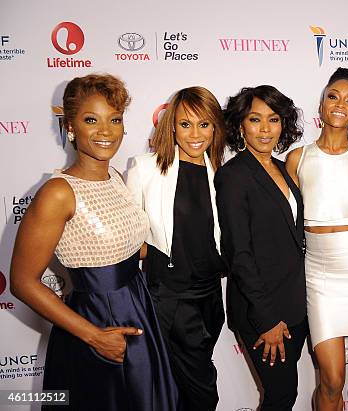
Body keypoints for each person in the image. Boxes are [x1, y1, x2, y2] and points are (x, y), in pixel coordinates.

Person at [10, 74, 178, 411]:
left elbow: (128, 249)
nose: (106, 131)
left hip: (138, 310)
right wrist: (94, 336)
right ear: (70, 126)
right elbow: (22, 282)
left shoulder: (115, 177)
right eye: (92, 120)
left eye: (114, 120)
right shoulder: (58, 192)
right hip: (97, 323)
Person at [285, 67, 348, 411]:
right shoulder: (298, 157)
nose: (341, 104)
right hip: (320, 272)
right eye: (333, 96)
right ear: (322, 104)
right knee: (331, 378)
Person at [126, 86, 226, 411]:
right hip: (170, 298)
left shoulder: (222, 174)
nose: (195, 134)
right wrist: (154, 255)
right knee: (202, 394)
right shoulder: (145, 169)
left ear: (215, 127)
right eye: (185, 124)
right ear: (171, 126)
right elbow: (128, 237)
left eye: (204, 124)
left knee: (182, 389)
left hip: (211, 298)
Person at [215, 85, 306, 411]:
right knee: (281, 397)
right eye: (255, 119)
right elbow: (238, 253)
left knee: (286, 394)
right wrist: (267, 319)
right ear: (241, 125)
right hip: (262, 312)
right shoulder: (233, 176)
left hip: (295, 305)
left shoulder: (283, 168)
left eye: (274, 119)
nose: (265, 129)